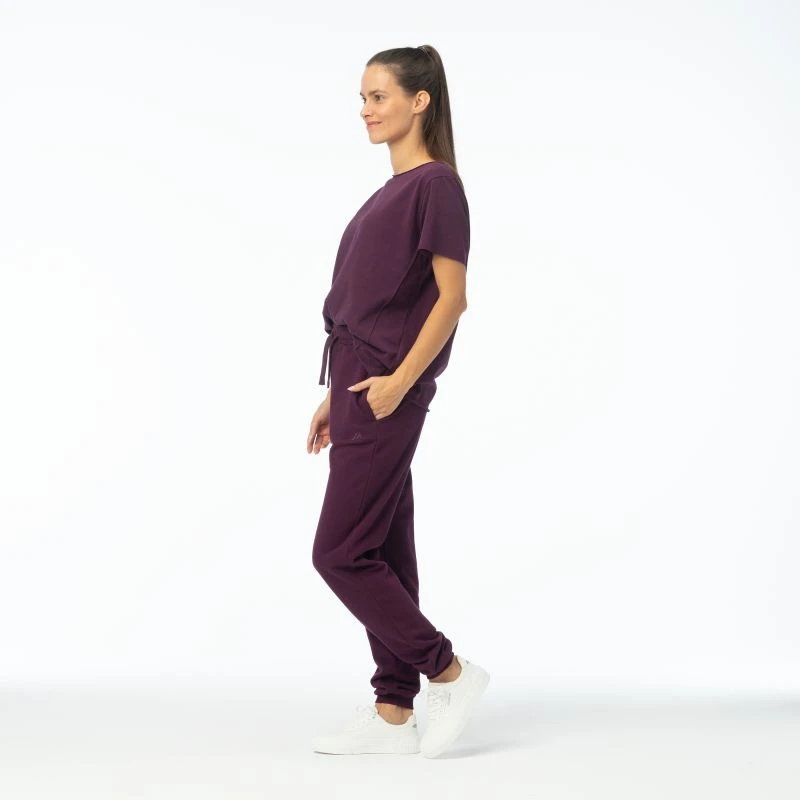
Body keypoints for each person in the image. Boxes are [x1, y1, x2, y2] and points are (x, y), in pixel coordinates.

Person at [306, 44, 489, 758]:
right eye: (362, 97)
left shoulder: (436, 185)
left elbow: (452, 299)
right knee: (380, 542)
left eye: (378, 96)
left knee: (339, 553)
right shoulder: (392, 190)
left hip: (387, 385)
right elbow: (369, 301)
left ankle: (447, 671)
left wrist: (398, 382)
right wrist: (335, 393)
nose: (365, 110)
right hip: (359, 381)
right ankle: (392, 710)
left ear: (420, 100)